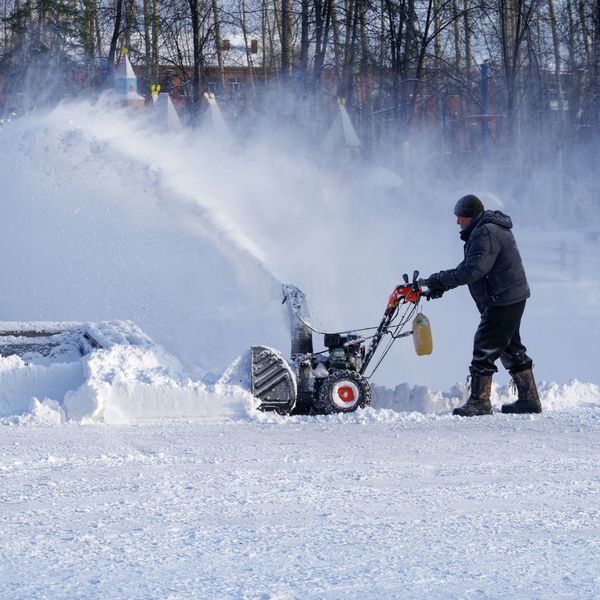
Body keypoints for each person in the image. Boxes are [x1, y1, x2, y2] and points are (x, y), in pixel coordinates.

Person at [423, 194, 541, 417]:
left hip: (502, 298)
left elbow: (473, 270)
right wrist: (441, 284)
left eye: (460, 217)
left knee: (484, 346)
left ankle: (480, 401)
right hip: (508, 296)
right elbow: (472, 265)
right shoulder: (484, 230)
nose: (457, 222)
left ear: (470, 215)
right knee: (510, 347)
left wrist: (440, 279)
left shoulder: (486, 232)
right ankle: (529, 399)